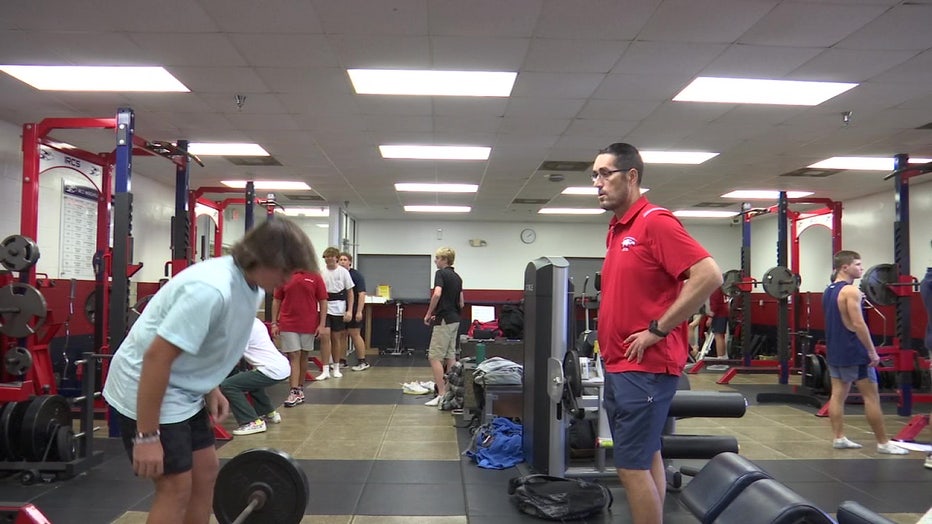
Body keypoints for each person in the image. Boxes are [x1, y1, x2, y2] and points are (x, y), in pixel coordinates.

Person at [102, 218, 317, 524]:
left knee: (205, 473)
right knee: (175, 488)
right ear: (262, 260)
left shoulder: (251, 285)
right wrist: (147, 437)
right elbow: (156, 359)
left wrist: (210, 386)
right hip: (147, 388)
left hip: (182, 389)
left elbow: (209, 344)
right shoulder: (211, 290)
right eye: (284, 271)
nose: (286, 280)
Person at [592, 143, 723, 524]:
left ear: (631, 176)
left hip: (645, 367)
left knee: (629, 467)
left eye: (605, 174)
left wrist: (657, 329)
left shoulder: (655, 221)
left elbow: (708, 275)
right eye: (594, 176)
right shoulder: (618, 229)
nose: (597, 183)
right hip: (621, 363)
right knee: (646, 456)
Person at [823, 250, 908, 456]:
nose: (861, 268)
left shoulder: (829, 290)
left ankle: (839, 437)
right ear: (845, 267)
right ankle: (883, 443)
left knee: (837, 395)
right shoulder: (850, 292)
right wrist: (872, 351)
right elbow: (858, 324)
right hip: (855, 351)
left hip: (835, 350)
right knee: (871, 397)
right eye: (858, 264)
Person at [220, 318, 290, 435]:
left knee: (228, 385)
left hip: (271, 370)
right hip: (280, 366)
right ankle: (269, 412)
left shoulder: (243, 326)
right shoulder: (255, 320)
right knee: (247, 380)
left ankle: (251, 422)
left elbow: (234, 354)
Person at [272, 267, 327, 406]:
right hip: (288, 323)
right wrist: (274, 323)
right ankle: (293, 391)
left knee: (303, 355)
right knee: (294, 354)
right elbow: (277, 299)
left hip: (308, 323)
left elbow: (323, 301)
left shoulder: (315, 276)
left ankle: (300, 388)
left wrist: (321, 324)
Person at [423, 246, 464, 407]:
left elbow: (438, 293)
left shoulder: (440, 274)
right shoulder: (457, 277)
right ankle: (451, 392)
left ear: (444, 260)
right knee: (450, 356)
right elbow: (461, 302)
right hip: (455, 319)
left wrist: (429, 313)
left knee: (434, 356)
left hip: (444, 321)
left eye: (437, 258)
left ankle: (441, 394)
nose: (435, 261)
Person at [319, 246, 354, 379]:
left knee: (336, 338)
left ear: (336, 258)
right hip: (324, 306)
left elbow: (350, 292)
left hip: (339, 307)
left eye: (331, 257)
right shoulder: (321, 272)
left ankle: (336, 366)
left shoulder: (343, 272)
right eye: (326, 257)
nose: (329, 259)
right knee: (325, 336)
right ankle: (325, 369)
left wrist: (349, 310)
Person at [339, 252, 371, 371]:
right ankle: (342, 360)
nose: (342, 262)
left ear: (350, 262)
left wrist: (359, 311)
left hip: (354, 308)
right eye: (340, 260)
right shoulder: (338, 275)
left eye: (344, 259)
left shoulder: (356, 275)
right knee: (341, 335)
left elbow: (362, 294)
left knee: (355, 334)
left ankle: (362, 361)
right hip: (341, 309)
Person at [707, 285, 729, 358]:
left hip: (719, 314)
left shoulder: (715, 289)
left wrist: (710, 318)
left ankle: (720, 357)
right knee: (721, 336)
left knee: (718, 336)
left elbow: (714, 306)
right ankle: (722, 356)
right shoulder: (723, 288)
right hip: (724, 313)